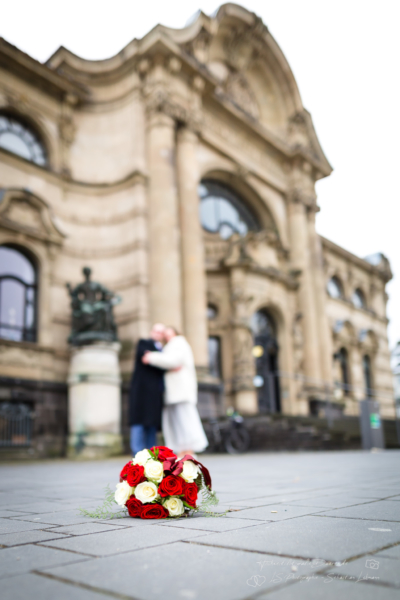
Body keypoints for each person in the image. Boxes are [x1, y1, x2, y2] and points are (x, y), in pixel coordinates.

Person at [142, 326, 208, 458]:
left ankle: (189, 450)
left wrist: (151, 357)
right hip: (174, 392)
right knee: (176, 421)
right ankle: (182, 450)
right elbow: (171, 363)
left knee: (185, 420)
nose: (166, 335)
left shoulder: (178, 343)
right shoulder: (170, 346)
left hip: (181, 391)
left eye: (168, 332)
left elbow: (173, 361)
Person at [128, 323, 165, 455]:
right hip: (141, 391)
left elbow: (153, 361)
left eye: (161, 332)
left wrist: (153, 357)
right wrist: (159, 359)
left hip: (155, 393)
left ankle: (151, 454)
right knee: (138, 421)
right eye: (156, 331)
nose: (158, 334)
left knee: (152, 424)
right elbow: (144, 358)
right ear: (151, 332)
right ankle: (137, 453)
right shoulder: (143, 343)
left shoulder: (162, 349)